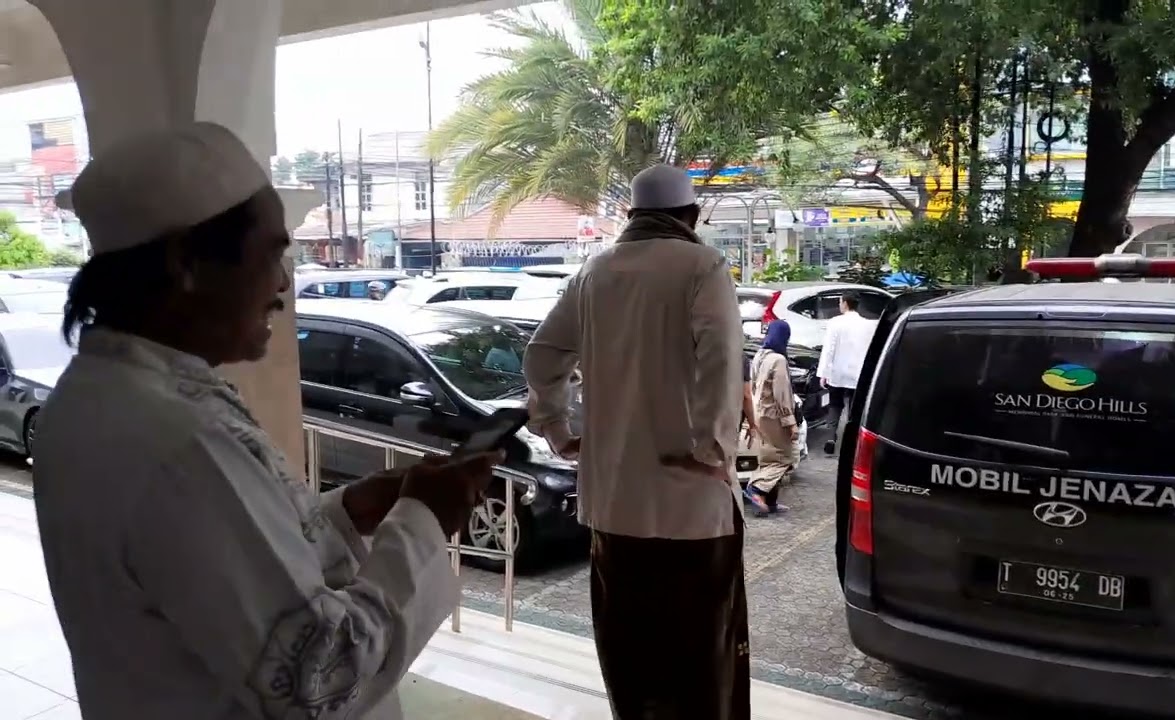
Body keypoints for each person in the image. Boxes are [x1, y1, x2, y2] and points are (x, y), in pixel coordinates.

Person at [32, 122, 501, 720]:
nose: (283, 283)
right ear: (187, 265)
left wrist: (353, 510)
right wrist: (424, 520)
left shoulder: (100, 396)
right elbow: (321, 676)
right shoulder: (177, 441)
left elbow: (216, 575)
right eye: (273, 253)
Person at [523, 164, 749, 719]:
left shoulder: (594, 272)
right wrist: (713, 449)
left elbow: (542, 356)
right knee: (701, 656)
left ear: (632, 215)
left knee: (631, 651)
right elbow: (722, 360)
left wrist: (556, 428)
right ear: (691, 216)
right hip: (691, 507)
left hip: (614, 506)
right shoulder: (703, 265)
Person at [745, 320, 796, 516]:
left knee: (769, 456)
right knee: (786, 457)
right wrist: (790, 422)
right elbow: (781, 394)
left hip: (759, 412)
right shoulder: (778, 360)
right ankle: (756, 489)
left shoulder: (760, 355)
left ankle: (771, 500)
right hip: (773, 415)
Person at [818, 291, 876, 455]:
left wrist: (824, 372)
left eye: (840, 302)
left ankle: (831, 437)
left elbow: (829, 349)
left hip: (838, 371)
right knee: (854, 408)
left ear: (844, 303)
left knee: (835, 405)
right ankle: (851, 441)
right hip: (858, 373)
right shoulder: (868, 325)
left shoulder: (835, 323)